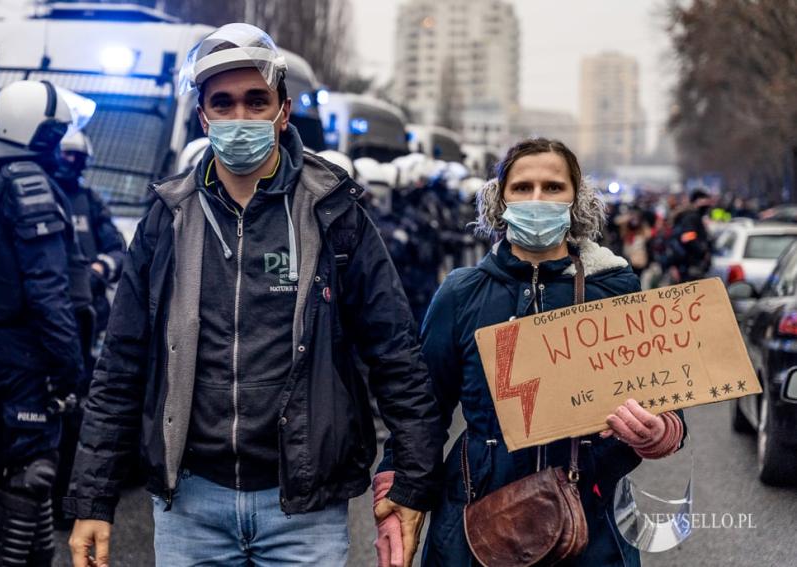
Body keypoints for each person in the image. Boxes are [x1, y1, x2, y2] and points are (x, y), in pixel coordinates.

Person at [65, 23, 443, 567]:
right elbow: (120, 364)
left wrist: (411, 482)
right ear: (203, 116)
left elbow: (396, 354)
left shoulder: (334, 213)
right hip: (191, 506)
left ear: (282, 112)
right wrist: (93, 499)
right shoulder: (166, 219)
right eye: (223, 103)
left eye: (255, 101)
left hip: (302, 513)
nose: (239, 118)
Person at [408, 138, 687, 566]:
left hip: (592, 525)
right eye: (522, 188)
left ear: (576, 200)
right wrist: (403, 496)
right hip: (476, 522)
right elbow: (423, 408)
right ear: (500, 200)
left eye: (553, 187)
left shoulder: (613, 289)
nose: (537, 199)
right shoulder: (462, 293)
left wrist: (658, 431)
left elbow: (667, 400)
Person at [0, 80, 88, 566]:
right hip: (30, 349)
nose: (58, 145)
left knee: (28, 465)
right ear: (35, 133)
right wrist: (71, 366)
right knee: (35, 469)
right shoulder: (26, 184)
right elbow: (47, 290)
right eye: (54, 135)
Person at [48, 130, 126, 528]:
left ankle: (70, 503)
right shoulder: (38, 195)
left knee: (81, 411)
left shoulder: (90, 201)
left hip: (88, 319)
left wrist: (99, 269)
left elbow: (118, 249)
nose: (69, 163)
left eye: (76, 157)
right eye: (64, 154)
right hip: (47, 319)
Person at [669, 188, 714, 283]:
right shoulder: (691, 217)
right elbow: (688, 237)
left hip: (688, 263)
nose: (707, 206)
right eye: (705, 202)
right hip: (689, 264)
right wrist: (702, 251)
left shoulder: (693, 216)